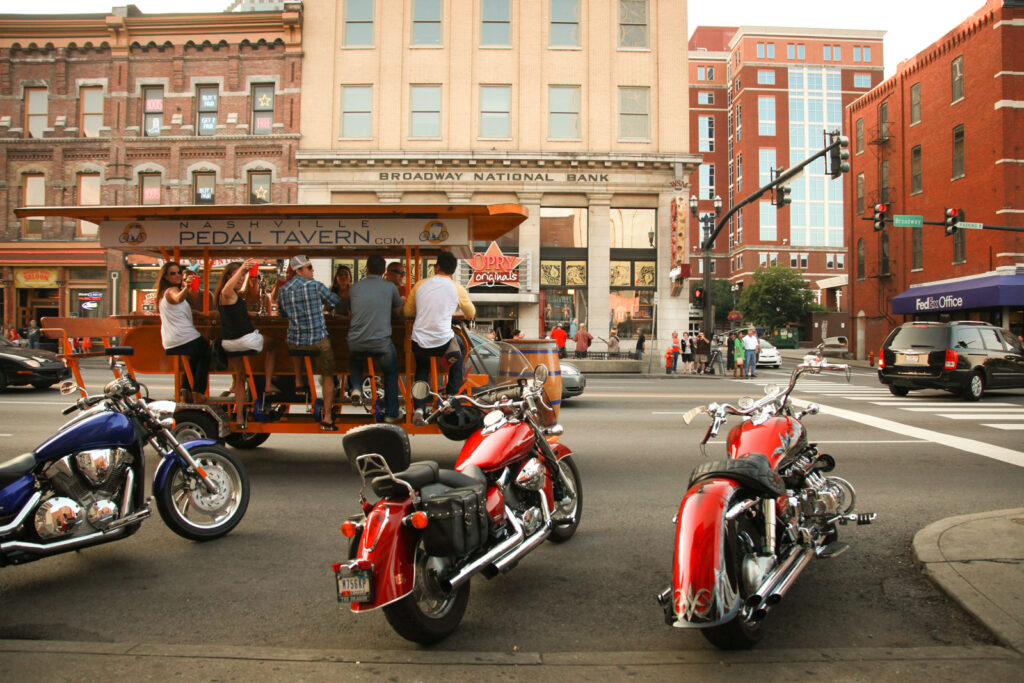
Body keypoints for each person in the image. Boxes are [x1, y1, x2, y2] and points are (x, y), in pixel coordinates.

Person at [404, 250, 475, 426]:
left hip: (419, 341)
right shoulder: (457, 288)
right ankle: (450, 397)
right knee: (461, 348)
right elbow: (471, 313)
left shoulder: (420, 284)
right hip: (444, 343)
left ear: (436, 268)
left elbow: (407, 312)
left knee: (422, 367)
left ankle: (419, 409)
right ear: (453, 270)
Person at [277, 254, 344, 430]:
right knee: (328, 375)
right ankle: (328, 417)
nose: (312, 270)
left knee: (294, 340)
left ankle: (299, 382)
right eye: (309, 267)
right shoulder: (315, 286)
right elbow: (336, 301)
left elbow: (282, 314)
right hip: (318, 341)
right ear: (298, 271)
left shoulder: (283, 290)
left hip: (295, 342)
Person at [216, 259, 279, 425]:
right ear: (229, 276)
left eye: (243, 274)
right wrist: (243, 267)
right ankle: (267, 384)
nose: (242, 278)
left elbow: (238, 308)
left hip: (229, 343)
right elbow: (225, 291)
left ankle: (239, 418)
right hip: (246, 340)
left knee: (240, 378)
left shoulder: (233, 296)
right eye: (239, 275)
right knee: (272, 345)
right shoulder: (227, 293)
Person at [348, 254, 405, 424]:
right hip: (381, 342)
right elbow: (398, 313)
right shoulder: (390, 288)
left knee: (355, 357)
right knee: (391, 372)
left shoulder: (355, 288)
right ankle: (391, 413)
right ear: (383, 272)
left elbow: (351, 313)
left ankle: (356, 388)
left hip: (356, 341)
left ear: (367, 270)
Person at [157, 261, 210, 401]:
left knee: (194, 358)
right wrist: (187, 287)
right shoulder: (172, 291)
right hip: (184, 336)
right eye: (172, 273)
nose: (177, 275)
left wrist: (197, 313)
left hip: (173, 339)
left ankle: (186, 390)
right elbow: (177, 298)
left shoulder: (163, 293)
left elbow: (176, 309)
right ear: (166, 277)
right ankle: (198, 392)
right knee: (207, 351)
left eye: (179, 272)